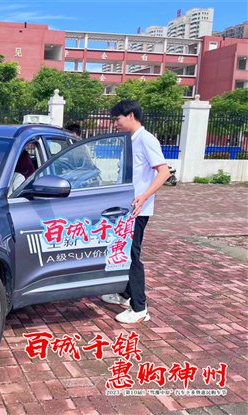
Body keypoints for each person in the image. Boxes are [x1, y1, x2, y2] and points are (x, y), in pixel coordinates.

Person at [101, 100, 170, 324]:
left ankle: (139, 308)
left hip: (138, 210)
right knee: (122, 251)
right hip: (127, 208)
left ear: (130, 115)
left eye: (117, 119)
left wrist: (144, 196)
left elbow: (164, 172)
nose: (115, 123)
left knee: (132, 256)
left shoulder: (146, 139)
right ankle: (125, 294)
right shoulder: (130, 140)